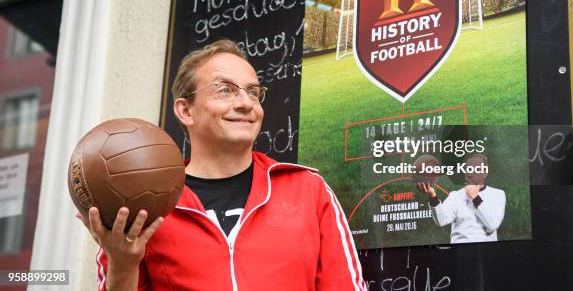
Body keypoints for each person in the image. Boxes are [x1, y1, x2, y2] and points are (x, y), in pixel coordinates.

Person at [76, 39, 366, 290]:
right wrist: (123, 265)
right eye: (225, 90)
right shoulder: (144, 203)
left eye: (253, 92)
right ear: (185, 110)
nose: (246, 103)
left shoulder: (308, 190)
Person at [415, 154, 506, 243]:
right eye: (468, 169)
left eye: (476, 169)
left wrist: (475, 197)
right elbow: (441, 220)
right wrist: (432, 196)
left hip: (486, 250)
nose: (471, 173)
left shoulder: (498, 194)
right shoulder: (455, 196)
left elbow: (492, 225)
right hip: (459, 249)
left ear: (485, 173)